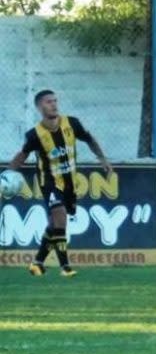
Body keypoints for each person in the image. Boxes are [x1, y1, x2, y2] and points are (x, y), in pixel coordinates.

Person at [8, 90, 112, 277]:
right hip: (49, 182)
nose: (54, 104)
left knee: (54, 225)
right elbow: (22, 155)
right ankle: (65, 267)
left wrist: (102, 158)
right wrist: (7, 174)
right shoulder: (34, 135)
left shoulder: (72, 123)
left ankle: (37, 263)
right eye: (49, 102)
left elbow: (89, 139)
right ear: (40, 107)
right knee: (60, 217)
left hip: (70, 181)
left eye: (55, 101)